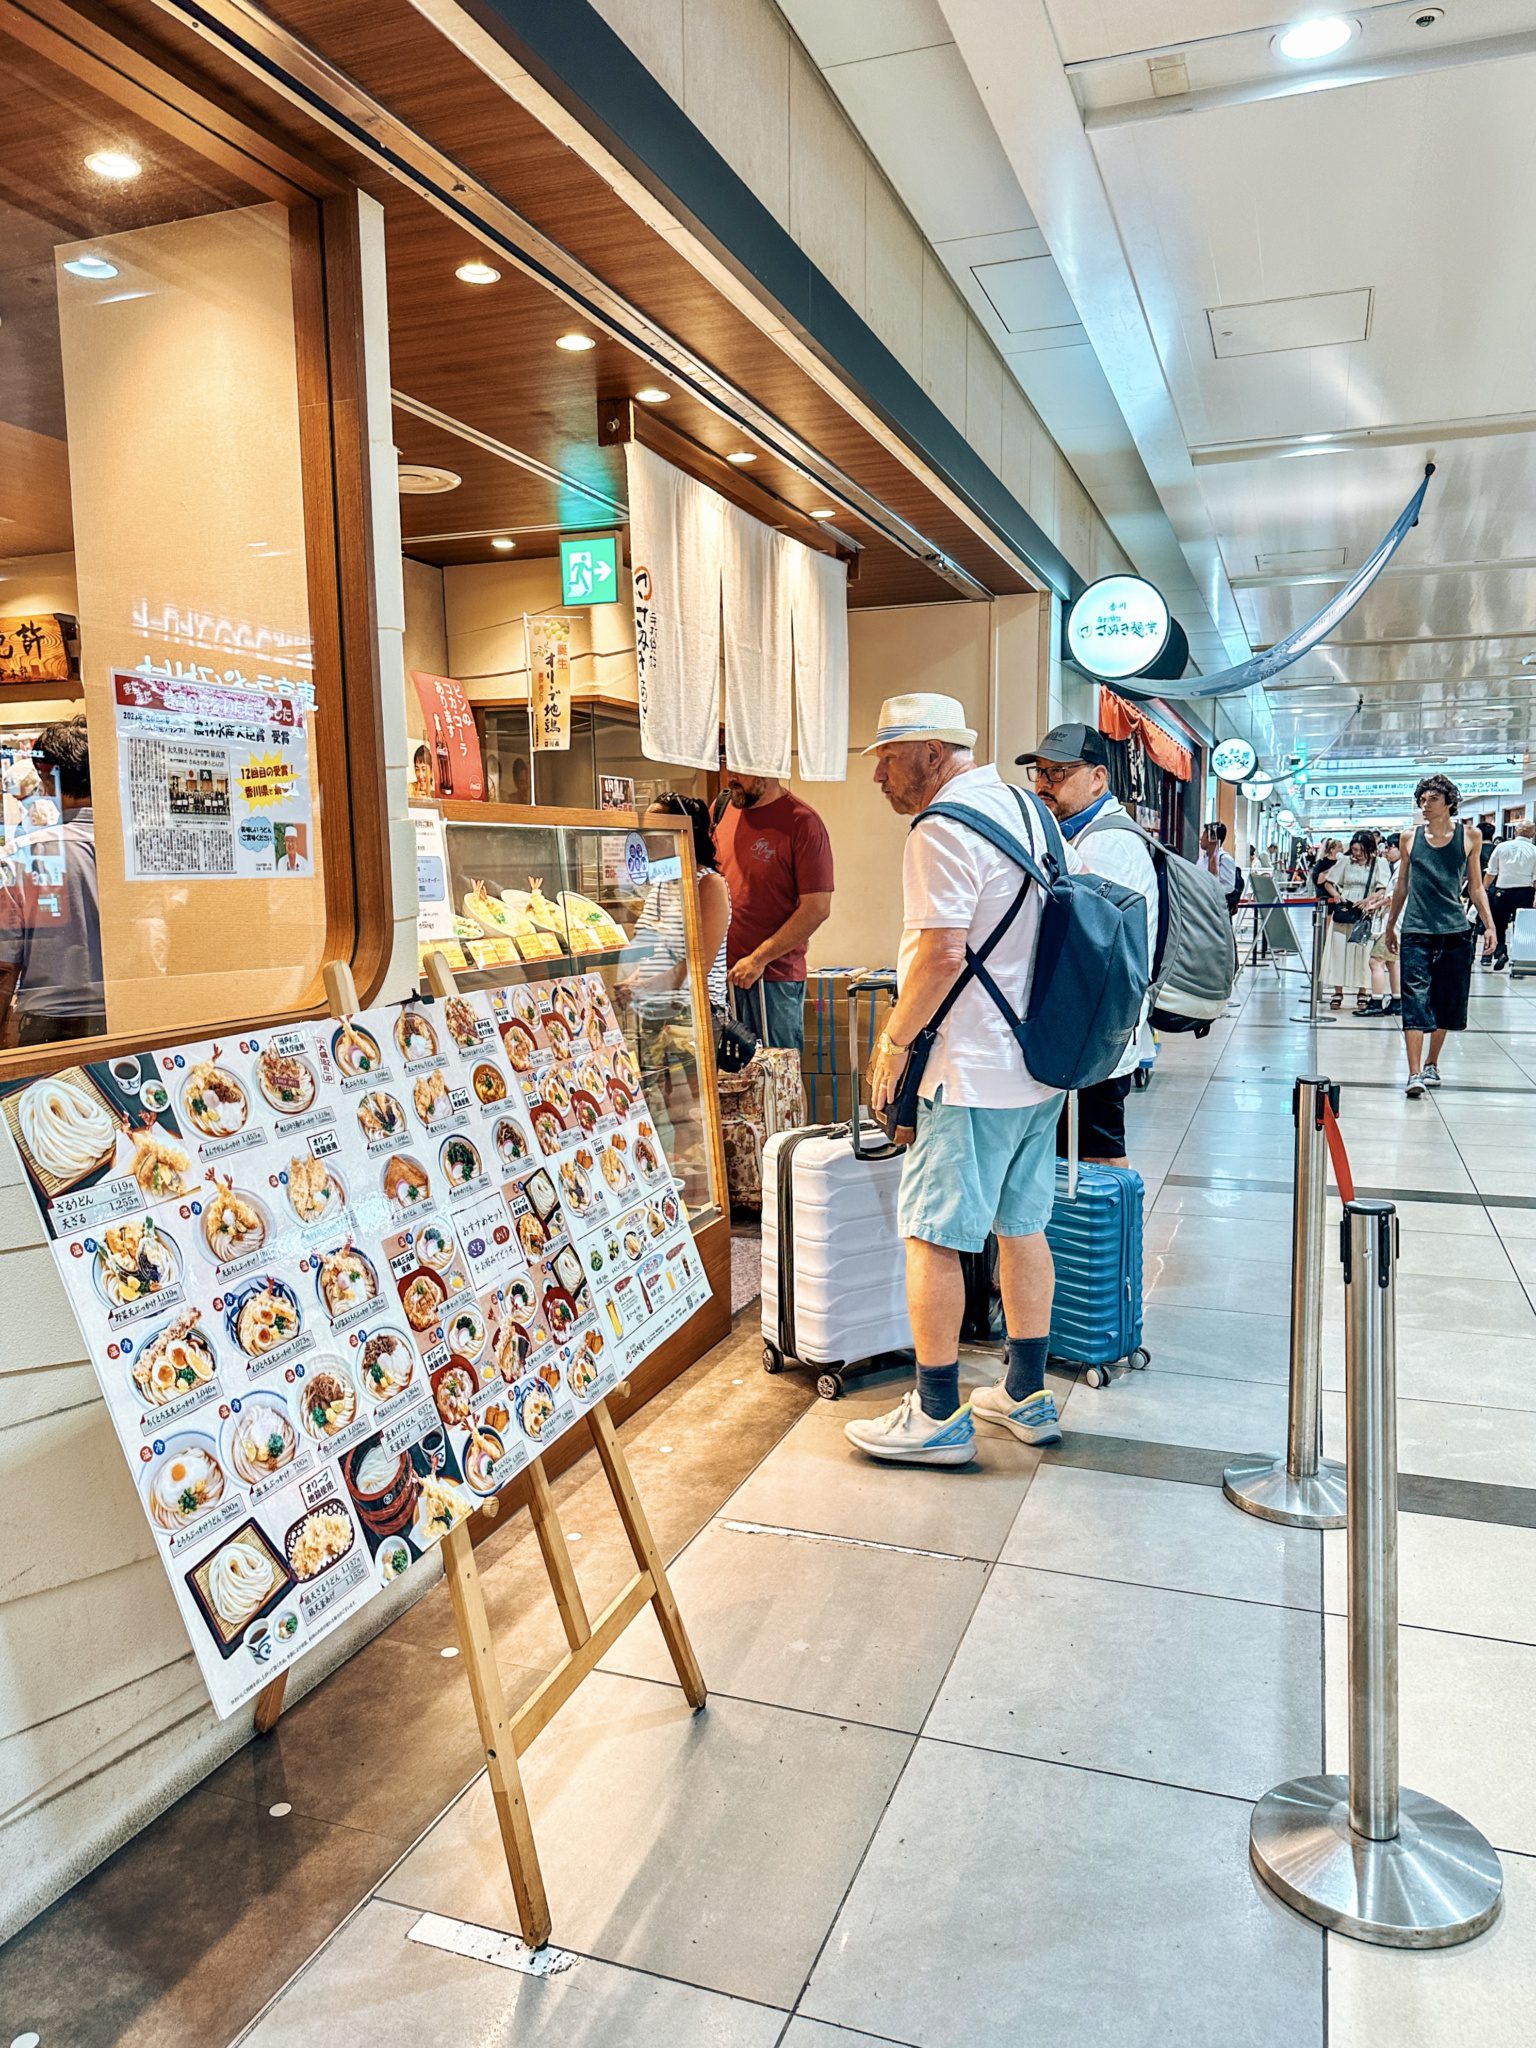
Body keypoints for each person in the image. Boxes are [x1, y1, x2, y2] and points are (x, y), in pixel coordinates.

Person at [843, 693, 1068, 1468]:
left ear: (934, 754)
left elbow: (940, 956)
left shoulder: (941, 829)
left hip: (969, 1071)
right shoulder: (1026, 809)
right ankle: (1027, 1393)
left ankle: (938, 1411)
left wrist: (893, 1048)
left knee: (933, 1234)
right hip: (1039, 1067)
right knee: (1020, 1224)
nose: (877, 775)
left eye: (887, 756)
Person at [1016, 723, 1156, 1168]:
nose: (1043, 785)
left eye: (1058, 774)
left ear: (1098, 778)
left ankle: (1111, 1235)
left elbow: (1085, 941)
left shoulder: (1108, 843)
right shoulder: (1081, 834)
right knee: (1089, 1151)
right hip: (1092, 1025)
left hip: (1095, 1029)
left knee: (1099, 1158)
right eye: (1039, 773)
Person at [1384, 774, 1496, 1097]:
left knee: (1446, 1000)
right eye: (1422, 798)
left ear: (1448, 802)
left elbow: (1475, 887)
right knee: (1414, 1000)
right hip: (1416, 930)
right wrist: (1391, 924)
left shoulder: (1470, 836)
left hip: (1455, 931)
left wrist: (1489, 925)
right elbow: (1401, 884)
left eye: (1432, 798)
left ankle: (1432, 1062)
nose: (1425, 803)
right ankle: (1414, 1072)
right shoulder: (1409, 838)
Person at [715, 754, 833, 1052]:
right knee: (734, 1084)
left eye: (741, 767)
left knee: (779, 1080)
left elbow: (816, 908)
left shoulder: (802, 822)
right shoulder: (720, 810)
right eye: (729, 763)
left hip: (773, 978)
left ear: (766, 767)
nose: (731, 776)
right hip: (721, 977)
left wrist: (758, 959)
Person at [0, 716, 105, 1047]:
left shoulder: (21, 852)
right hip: (126, 1019)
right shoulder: (132, 852)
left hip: (46, 1027)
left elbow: (4, 967)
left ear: (49, 779)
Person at [620, 793, 730, 1008]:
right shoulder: (662, 882)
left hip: (698, 1011)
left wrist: (643, 988)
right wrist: (632, 982)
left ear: (683, 833)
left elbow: (699, 964)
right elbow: (659, 950)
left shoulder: (710, 884)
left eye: (655, 826)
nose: (645, 835)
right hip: (659, 1008)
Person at [1318, 829, 1392, 1014]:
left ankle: (1362, 991)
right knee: (1338, 949)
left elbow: (1384, 887)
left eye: (1360, 850)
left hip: (1364, 911)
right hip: (1345, 909)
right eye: (1354, 850)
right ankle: (1338, 991)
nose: (1356, 854)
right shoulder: (1344, 861)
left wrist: (1369, 900)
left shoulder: (1379, 864)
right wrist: (1337, 896)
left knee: (1363, 951)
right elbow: (1328, 882)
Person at [1486, 820, 1536, 970]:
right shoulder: (1534, 850)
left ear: (1515, 832)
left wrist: (1483, 890)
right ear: (1533, 834)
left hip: (1503, 892)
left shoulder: (1501, 847)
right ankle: (1519, 955)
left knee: (1499, 925)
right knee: (1521, 927)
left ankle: (1501, 952)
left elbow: (1491, 872)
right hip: (1525, 893)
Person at [1200, 820, 1241, 914]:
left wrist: (1209, 892)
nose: (1201, 838)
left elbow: (1229, 886)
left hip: (1217, 909)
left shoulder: (1224, 859)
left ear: (1212, 838)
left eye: (1204, 835)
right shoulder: (1202, 859)